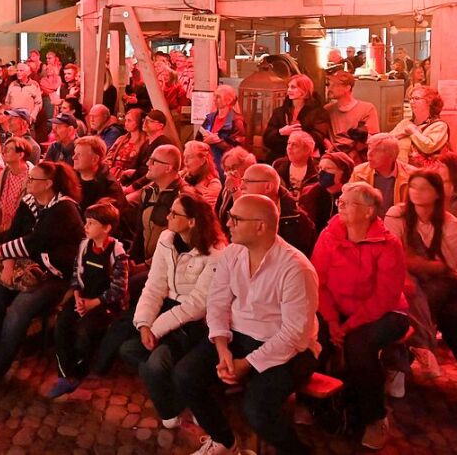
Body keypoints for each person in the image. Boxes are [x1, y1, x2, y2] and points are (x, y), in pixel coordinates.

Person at [174, 194, 319, 455]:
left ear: (261, 226)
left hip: (287, 349)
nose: (227, 223)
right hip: (239, 336)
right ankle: (224, 441)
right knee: (185, 375)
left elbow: (295, 335)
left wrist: (247, 364)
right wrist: (222, 349)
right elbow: (217, 303)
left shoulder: (295, 268)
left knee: (258, 410)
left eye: (236, 219)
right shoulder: (233, 253)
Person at [0, 161, 85, 388]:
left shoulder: (64, 209)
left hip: (56, 276)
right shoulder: (29, 203)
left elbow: (36, 241)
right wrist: (7, 266)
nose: (28, 182)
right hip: (27, 268)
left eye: (33, 179)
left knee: (19, 309)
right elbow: (15, 235)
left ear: (48, 184)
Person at [311, 182, 408, 450]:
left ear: (368, 211)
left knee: (359, 346)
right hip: (337, 309)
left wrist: (347, 326)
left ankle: (374, 417)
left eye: (348, 202)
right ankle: (315, 404)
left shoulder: (388, 244)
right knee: (309, 333)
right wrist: (331, 321)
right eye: (340, 199)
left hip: (385, 312)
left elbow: (384, 297)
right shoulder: (329, 235)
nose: (339, 204)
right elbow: (318, 282)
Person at [118, 195, 226, 429]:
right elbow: (155, 284)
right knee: (128, 349)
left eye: (175, 214)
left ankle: (171, 408)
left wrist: (155, 330)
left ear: (192, 222)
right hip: (167, 308)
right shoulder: (167, 239)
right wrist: (145, 323)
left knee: (155, 364)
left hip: (195, 322)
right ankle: (186, 395)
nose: (168, 216)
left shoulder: (216, 254)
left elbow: (198, 304)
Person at [47, 201, 129, 398]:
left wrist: (94, 303)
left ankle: (80, 370)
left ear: (107, 228)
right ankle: (65, 375)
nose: (86, 227)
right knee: (61, 324)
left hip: (105, 304)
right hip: (83, 299)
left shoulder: (117, 253)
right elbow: (77, 274)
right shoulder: (84, 246)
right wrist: (77, 296)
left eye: (91, 223)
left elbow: (118, 289)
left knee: (86, 331)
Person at [384, 170, 457, 360]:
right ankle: (423, 351)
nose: (416, 191)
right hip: (406, 278)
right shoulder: (397, 214)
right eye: (413, 186)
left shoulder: (449, 223)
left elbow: (450, 265)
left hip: (443, 282)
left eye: (424, 188)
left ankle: (423, 349)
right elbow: (394, 256)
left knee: (421, 302)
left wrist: (415, 262)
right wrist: (430, 265)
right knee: (409, 293)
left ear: (437, 193)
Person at [240, 163, 317, 257]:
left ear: (268, 187)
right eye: (242, 181)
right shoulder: (239, 213)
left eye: (247, 181)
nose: (241, 186)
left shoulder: (298, 221)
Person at [127, 144, 183, 267]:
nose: (147, 164)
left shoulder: (183, 197)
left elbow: (179, 242)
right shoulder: (148, 192)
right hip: (145, 262)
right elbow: (139, 232)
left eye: (154, 161)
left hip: (169, 266)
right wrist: (131, 260)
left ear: (168, 168)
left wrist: (147, 265)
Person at [262, 74, 332, 162]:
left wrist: (298, 136)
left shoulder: (319, 113)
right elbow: (267, 139)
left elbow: (318, 137)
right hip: (279, 158)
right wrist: (281, 132)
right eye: (288, 87)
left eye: (293, 87)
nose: (289, 90)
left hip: (306, 159)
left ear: (305, 90)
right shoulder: (280, 112)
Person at [389, 86, 450, 167]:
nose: (411, 102)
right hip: (401, 171)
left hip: (425, 174)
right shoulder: (405, 122)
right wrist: (403, 133)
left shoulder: (439, 125)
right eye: (410, 98)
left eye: (416, 98)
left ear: (429, 102)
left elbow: (429, 147)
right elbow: (387, 140)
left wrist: (413, 132)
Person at [324, 71, 379, 160]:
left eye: (333, 85)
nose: (329, 88)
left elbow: (373, 139)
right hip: (333, 157)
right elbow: (322, 134)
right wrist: (327, 144)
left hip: (357, 158)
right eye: (328, 85)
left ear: (347, 88)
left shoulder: (367, 109)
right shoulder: (328, 109)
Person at [198, 85, 247, 177]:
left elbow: (239, 150)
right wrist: (205, 142)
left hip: (225, 168)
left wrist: (218, 142)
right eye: (214, 96)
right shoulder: (210, 118)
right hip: (207, 165)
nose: (214, 99)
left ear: (228, 100)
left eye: (218, 97)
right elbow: (197, 139)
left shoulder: (237, 121)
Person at [299, 150, 354, 232]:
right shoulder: (309, 194)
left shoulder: (353, 196)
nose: (321, 172)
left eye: (328, 168)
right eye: (320, 168)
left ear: (343, 172)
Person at [122, 110, 174, 190]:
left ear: (160, 126)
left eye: (150, 121)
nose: (145, 123)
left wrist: (132, 187)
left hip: (149, 187)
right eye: (144, 120)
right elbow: (139, 166)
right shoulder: (146, 143)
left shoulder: (163, 145)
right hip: (138, 182)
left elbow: (155, 174)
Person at [273, 130, 319, 197]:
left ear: (307, 150)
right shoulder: (278, 165)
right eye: (288, 143)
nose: (289, 147)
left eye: (294, 145)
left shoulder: (318, 170)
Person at [103, 107, 145, 177]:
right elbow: (109, 157)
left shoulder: (145, 142)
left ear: (139, 122)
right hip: (113, 174)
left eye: (129, 121)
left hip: (130, 176)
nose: (126, 123)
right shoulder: (121, 139)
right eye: (125, 120)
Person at [179, 141, 222, 208]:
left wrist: (191, 193)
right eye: (184, 157)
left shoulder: (213, 184)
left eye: (189, 157)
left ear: (202, 161)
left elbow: (207, 213)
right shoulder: (181, 177)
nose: (185, 161)